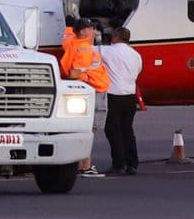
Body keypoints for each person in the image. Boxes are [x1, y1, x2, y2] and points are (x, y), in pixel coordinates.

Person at [58, 21, 110, 178]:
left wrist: (69, 26)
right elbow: (75, 72)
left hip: (91, 88)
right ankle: (85, 167)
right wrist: (86, 77)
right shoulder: (85, 49)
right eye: (90, 28)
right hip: (95, 89)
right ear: (82, 31)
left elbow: (66, 40)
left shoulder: (72, 43)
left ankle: (81, 165)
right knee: (90, 130)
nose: (94, 31)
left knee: (85, 129)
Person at [100, 25, 144, 176]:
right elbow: (138, 71)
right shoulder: (136, 55)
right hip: (130, 96)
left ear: (115, 37)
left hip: (114, 95)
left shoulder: (108, 51)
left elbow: (88, 51)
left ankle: (118, 164)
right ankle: (132, 163)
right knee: (127, 130)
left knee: (112, 130)